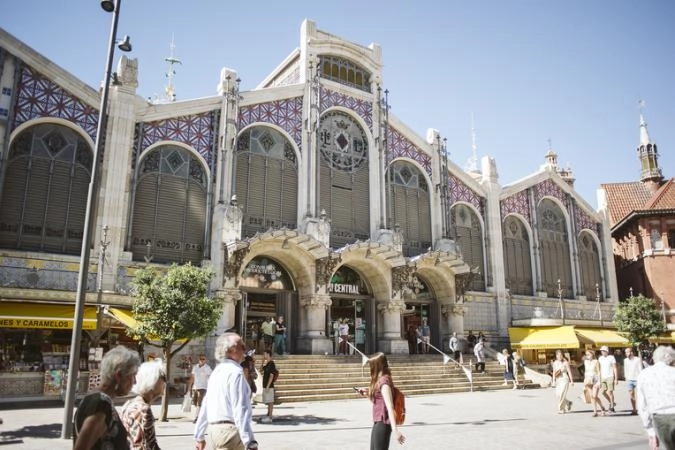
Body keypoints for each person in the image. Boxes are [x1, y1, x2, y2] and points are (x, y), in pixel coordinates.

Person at [193, 332, 258, 450]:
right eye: (242, 346)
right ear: (231, 349)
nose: (245, 350)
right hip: (230, 433)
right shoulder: (236, 373)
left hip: (214, 432)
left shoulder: (216, 372)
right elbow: (240, 409)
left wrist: (199, 435)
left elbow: (206, 405)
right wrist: (249, 441)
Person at [73, 345, 141, 450]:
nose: (135, 381)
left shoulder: (98, 400)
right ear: (119, 375)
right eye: (133, 375)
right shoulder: (100, 403)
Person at [356, 352, 406, 449]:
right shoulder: (381, 381)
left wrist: (395, 430)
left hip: (383, 424)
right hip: (378, 422)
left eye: (372, 365)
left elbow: (390, 407)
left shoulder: (384, 383)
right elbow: (379, 401)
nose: (370, 368)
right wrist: (367, 393)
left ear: (377, 366)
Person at [121, 359, 166, 450]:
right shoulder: (144, 410)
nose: (165, 382)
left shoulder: (128, 404)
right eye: (162, 377)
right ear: (153, 381)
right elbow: (149, 445)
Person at [637, 345, 675, 450]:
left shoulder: (644, 374)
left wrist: (650, 432)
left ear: (654, 358)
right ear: (670, 359)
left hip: (660, 419)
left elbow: (642, 405)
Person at [190, 353, 213, 423]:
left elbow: (211, 377)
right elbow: (192, 377)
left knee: (199, 403)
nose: (202, 360)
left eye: (203, 359)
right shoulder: (195, 367)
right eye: (201, 359)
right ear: (198, 359)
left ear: (205, 360)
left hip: (203, 388)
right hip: (195, 387)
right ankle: (202, 415)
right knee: (194, 403)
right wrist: (190, 387)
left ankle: (196, 417)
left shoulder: (207, 368)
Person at [583, 349, 606, 417]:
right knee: (592, 397)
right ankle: (595, 411)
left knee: (595, 396)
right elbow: (586, 371)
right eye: (586, 355)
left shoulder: (596, 361)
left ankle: (602, 407)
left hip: (595, 380)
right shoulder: (585, 362)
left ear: (592, 354)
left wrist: (599, 382)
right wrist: (584, 380)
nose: (587, 356)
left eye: (588, 354)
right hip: (588, 380)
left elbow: (599, 372)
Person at [551, 349, 574, 414]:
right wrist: (553, 381)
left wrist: (571, 381)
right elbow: (554, 372)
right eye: (558, 355)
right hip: (558, 380)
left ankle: (561, 409)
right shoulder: (555, 363)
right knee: (558, 394)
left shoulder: (565, 363)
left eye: (560, 355)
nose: (559, 356)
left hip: (564, 379)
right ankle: (568, 403)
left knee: (562, 394)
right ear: (556, 356)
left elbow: (569, 372)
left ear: (562, 355)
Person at [260, 350, 279, 423]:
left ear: (268, 354)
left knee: (270, 402)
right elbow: (261, 370)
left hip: (269, 386)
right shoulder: (267, 364)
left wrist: (268, 386)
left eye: (264, 354)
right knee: (268, 401)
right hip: (266, 385)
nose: (263, 355)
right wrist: (262, 362)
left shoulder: (271, 364)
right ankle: (268, 414)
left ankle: (270, 417)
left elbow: (271, 375)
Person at [598, 345, 618, 414]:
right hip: (603, 377)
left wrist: (616, 379)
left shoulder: (611, 357)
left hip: (610, 376)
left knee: (610, 392)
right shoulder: (600, 358)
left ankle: (612, 407)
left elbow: (615, 368)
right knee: (603, 392)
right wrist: (599, 378)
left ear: (607, 351)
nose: (602, 352)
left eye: (603, 351)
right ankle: (611, 402)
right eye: (601, 351)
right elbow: (600, 369)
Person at [624, 346, 642, 416]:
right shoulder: (625, 360)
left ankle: (641, 409)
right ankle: (634, 409)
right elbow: (625, 369)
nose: (626, 353)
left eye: (627, 352)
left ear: (631, 352)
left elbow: (640, 368)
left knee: (640, 395)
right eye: (625, 352)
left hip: (637, 379)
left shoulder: (637, 359)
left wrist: (640, 378)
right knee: (631, 395)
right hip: (629, 379)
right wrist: (626, 377)